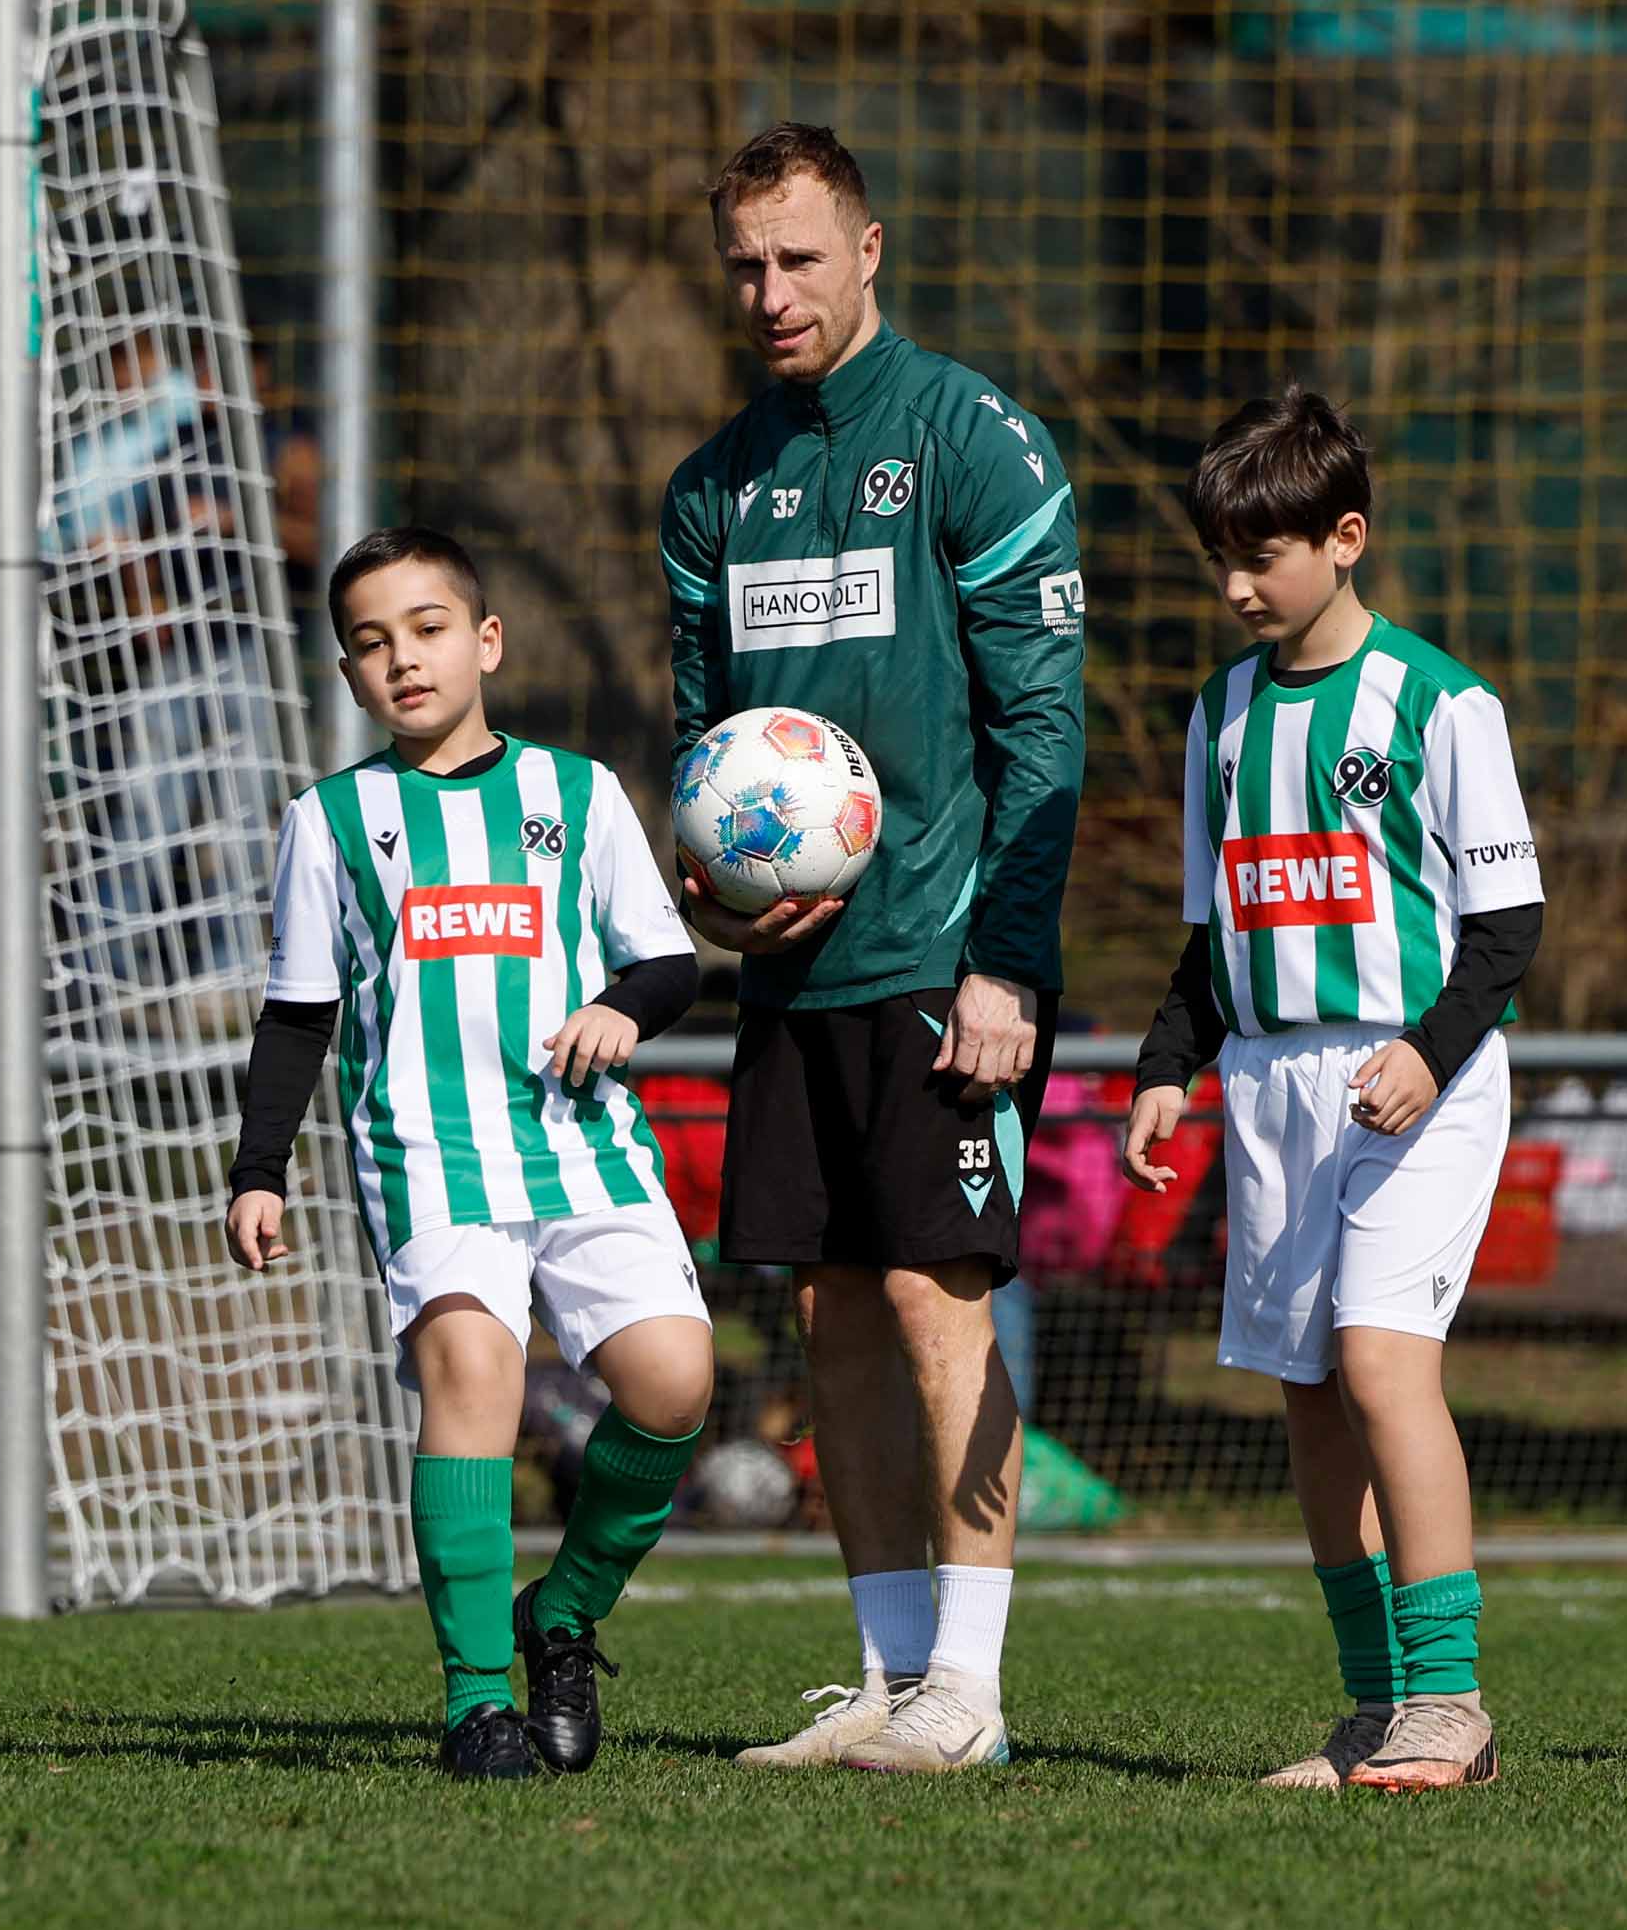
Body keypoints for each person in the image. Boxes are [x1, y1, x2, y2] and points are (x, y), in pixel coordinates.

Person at [660, 123, 1085, 1774]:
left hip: (936, 952)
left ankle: (968, 1691)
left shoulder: (970, 438)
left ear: (868, 249)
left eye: (799, 258)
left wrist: (1009, 965)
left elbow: (1041, 730)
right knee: (831, 1310)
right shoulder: (709, 489)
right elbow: (702, 753)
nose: (771, 293)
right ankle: (885, 1676)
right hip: (791, 976)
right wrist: (712, 899)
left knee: (931, 1292)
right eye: (746, 267)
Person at [224, 526, 715, 1782]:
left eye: (429, 629)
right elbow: (297, 1012)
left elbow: (664, 960)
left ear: (486, 640)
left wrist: (623, 1010)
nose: (405, 660)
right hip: (428, 1155)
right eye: (373, 643)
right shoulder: (331, 821)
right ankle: (477, 1703)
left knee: (673, 1387)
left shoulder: (580, 793)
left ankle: (560, 1615)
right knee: (474, 1381)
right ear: (348, 674)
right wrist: (258, 1168)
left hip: (581, 1145)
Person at [1120, 389, 1543, 1790]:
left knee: (1377, 1361)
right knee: (1307, 1391)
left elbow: (1504, 926)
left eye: (1266, 553)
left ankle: (1449, 1702)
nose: (1238, 585)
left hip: (1415, 1069)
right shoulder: (1221, 714)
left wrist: (1427, 1050)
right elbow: (1211, 925)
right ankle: (1369, 1707)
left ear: (1344, 537)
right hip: (1265, 1085)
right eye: (1220, 557)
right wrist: (1167, 1066)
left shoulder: (1437, 700)